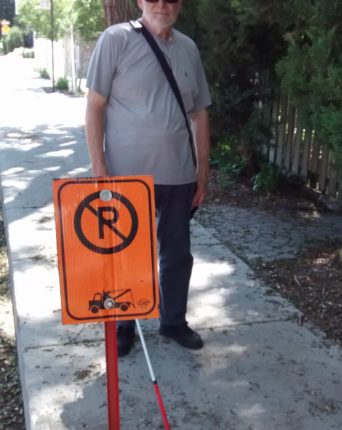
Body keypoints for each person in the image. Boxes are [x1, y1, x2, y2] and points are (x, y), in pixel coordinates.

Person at [84, 0, 212, 357]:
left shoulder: (188, 48)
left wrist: (202, 171)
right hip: (126, 179)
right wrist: (100, 172)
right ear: (140, 1)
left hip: (180, 175)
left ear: (180, 4)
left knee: (178, 253)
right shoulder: (116, 40)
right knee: (126, 255)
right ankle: (123, 325)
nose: (162, 5)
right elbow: (94, 107)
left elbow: (200, 113)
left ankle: (173, 321)